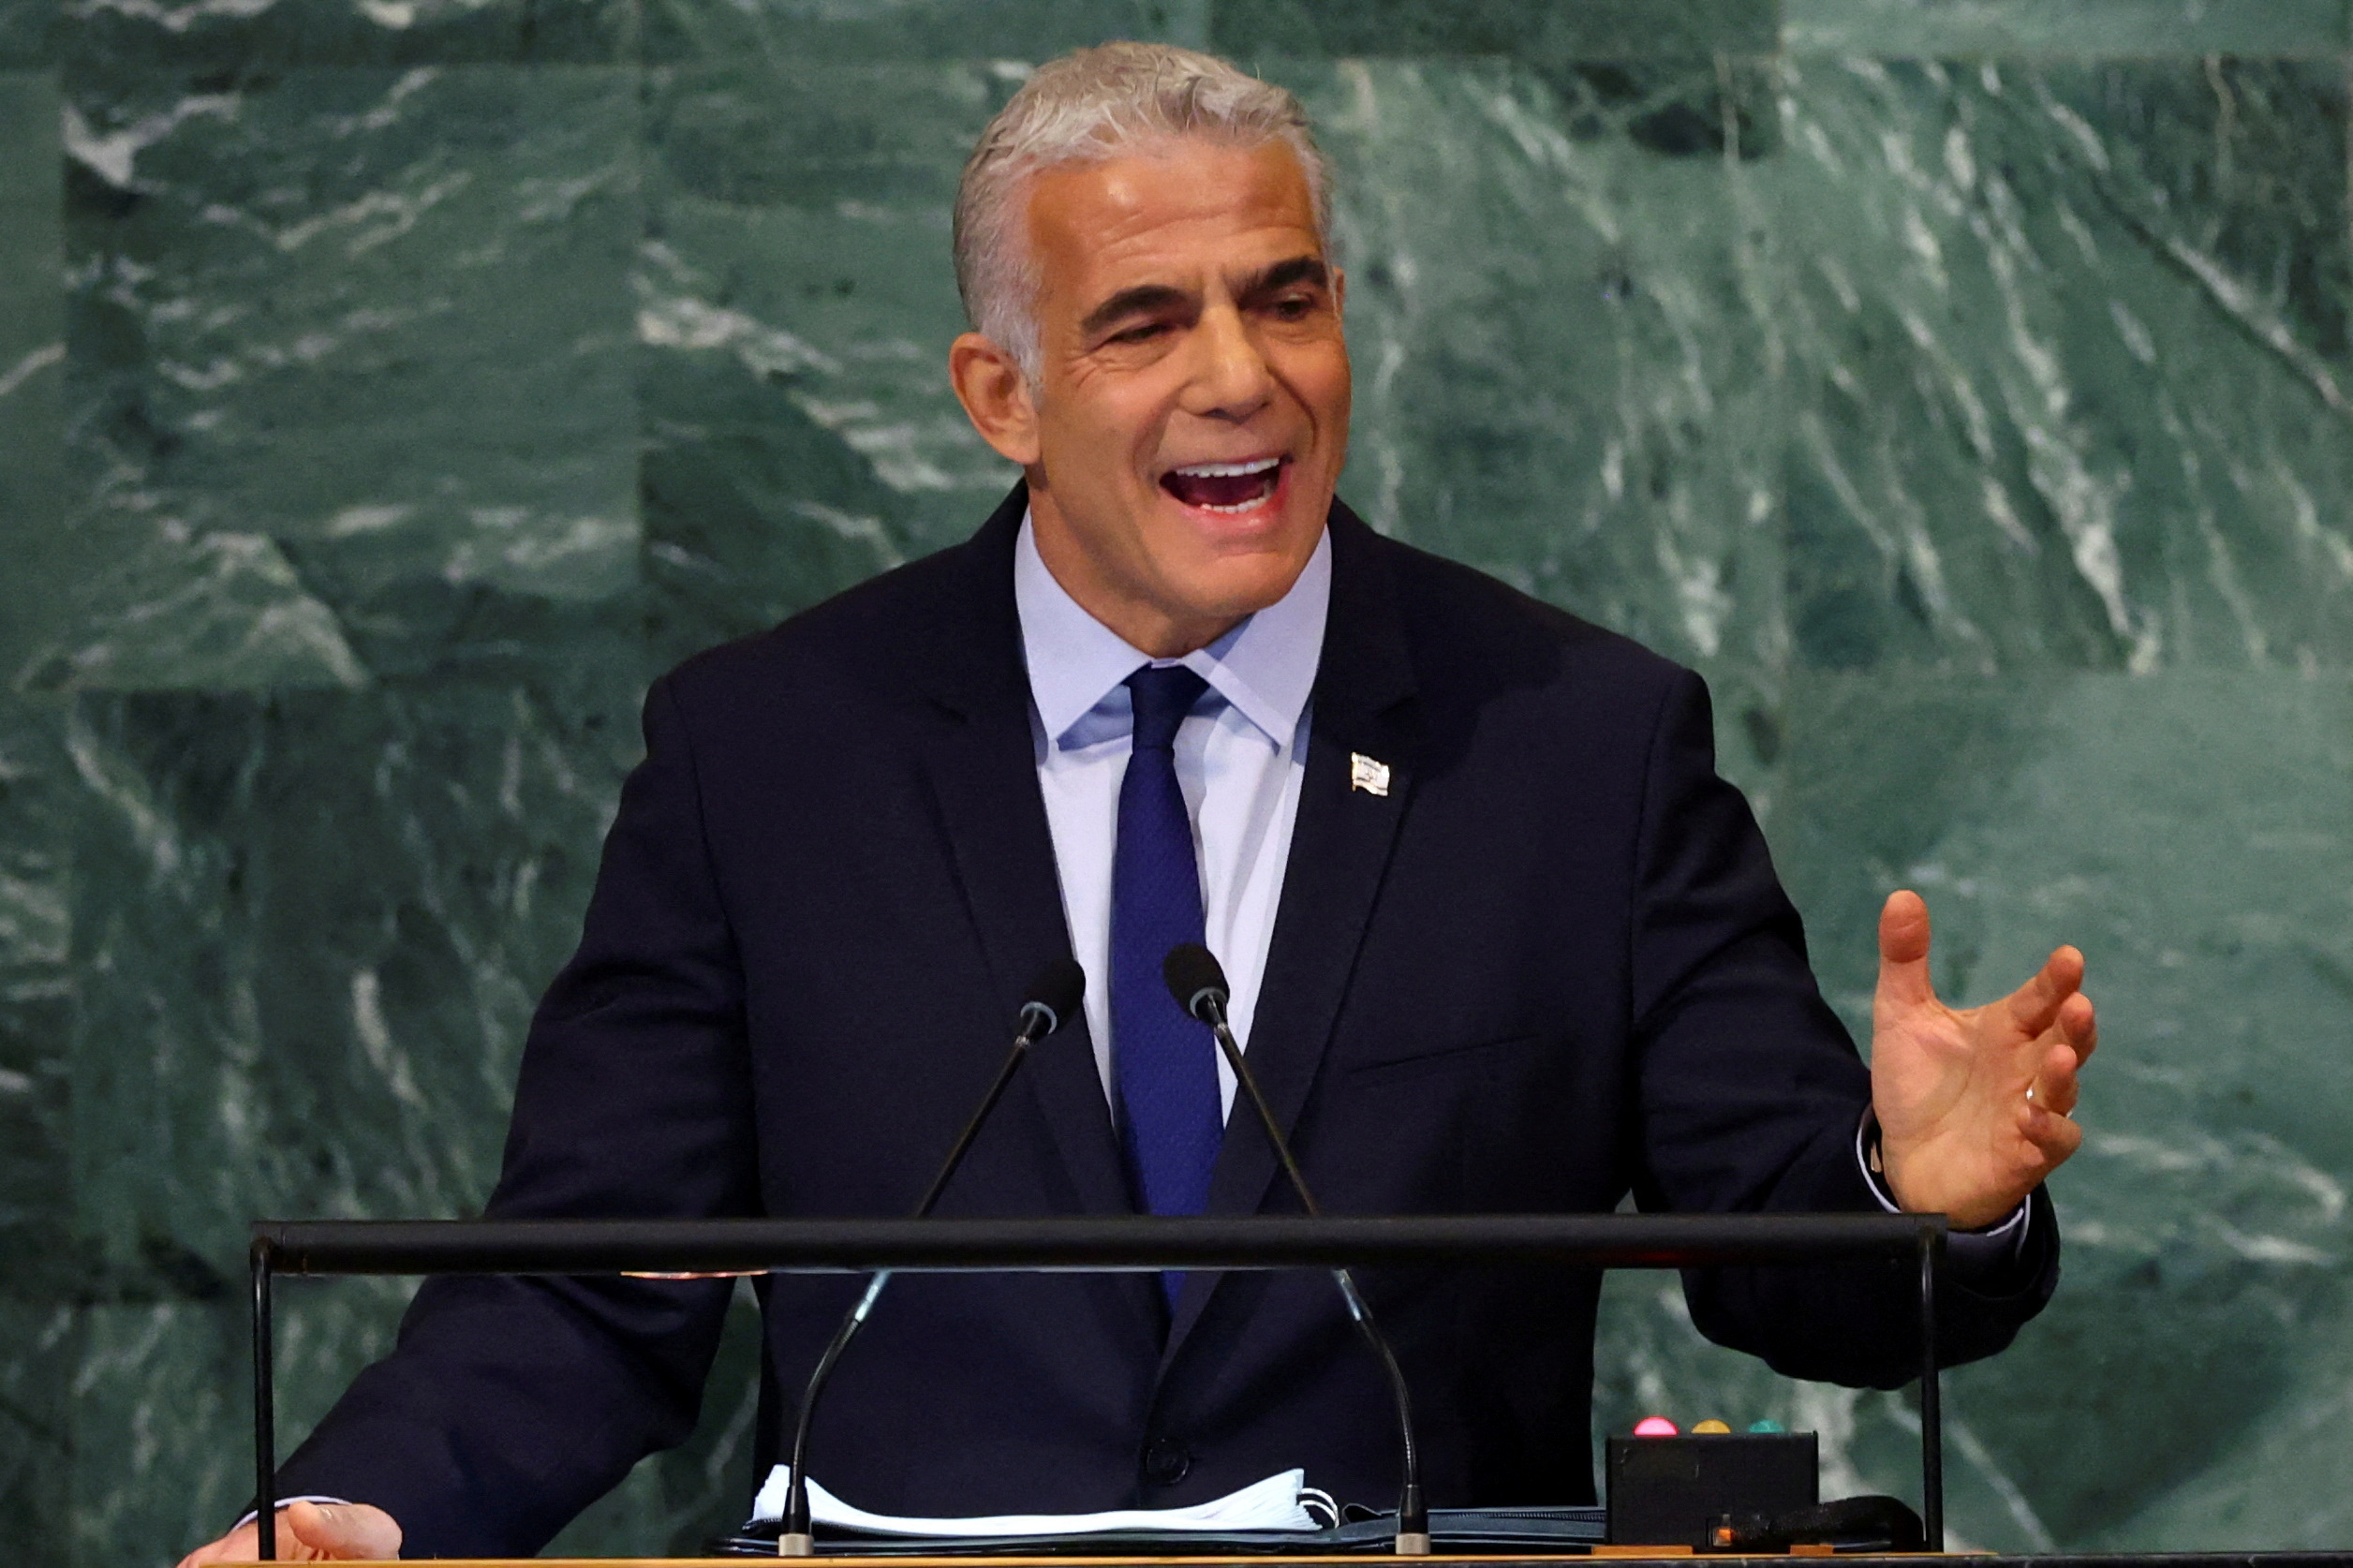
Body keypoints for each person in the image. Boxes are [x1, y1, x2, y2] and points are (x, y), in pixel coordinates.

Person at [182, 43, 2094, 1565]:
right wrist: (366, 1509)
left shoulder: (1571, 743)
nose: (1239, 379)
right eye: (1143, 323)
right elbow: (596, 1285)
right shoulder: (766, 752)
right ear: (995, 395)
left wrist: (1906, 1200)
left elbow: (1790, 1256)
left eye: (1285, 300)